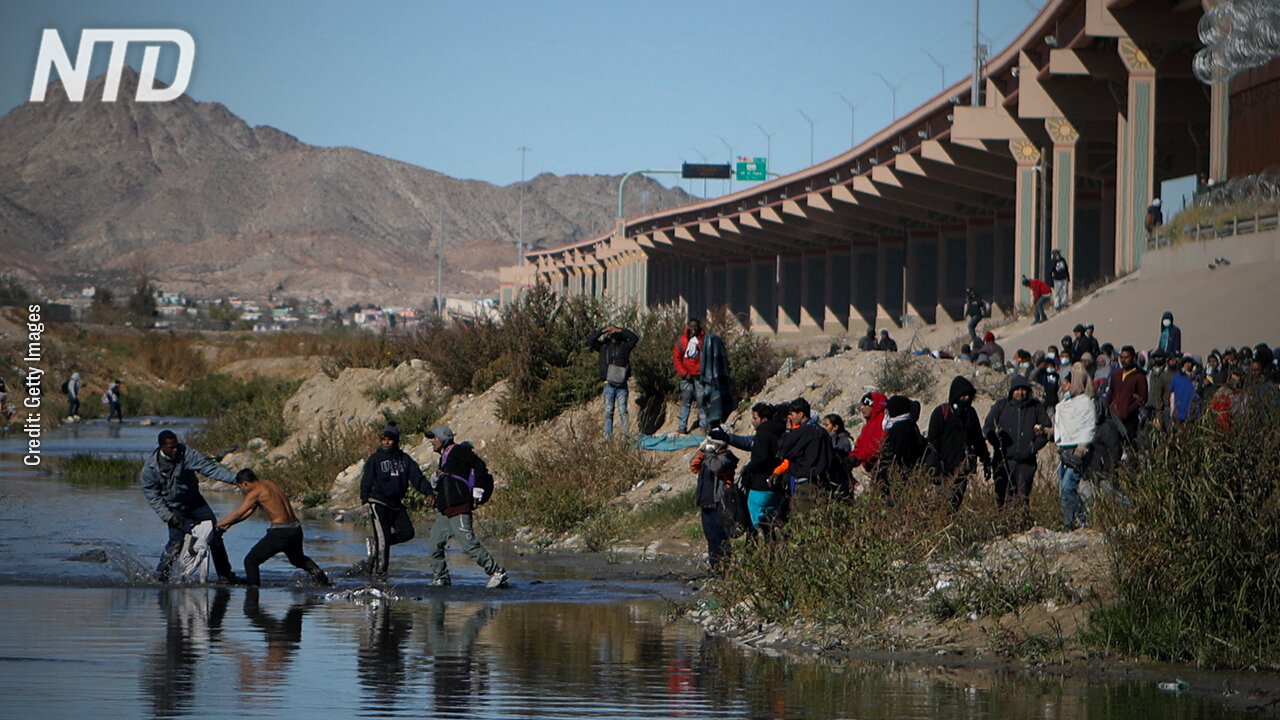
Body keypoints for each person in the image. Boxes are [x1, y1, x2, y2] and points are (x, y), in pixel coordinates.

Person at [141, 430, 240, 584]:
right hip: (174, 508)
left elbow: (210, 469)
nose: (175, 450)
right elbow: (152, 495)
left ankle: (225, 575)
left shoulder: (186, 453)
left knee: (214, 534)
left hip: (196, 503)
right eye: (171, 447)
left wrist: (236, 479)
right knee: (176, 543)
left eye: (176, 445)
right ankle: (161, 578)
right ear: (161, 447)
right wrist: (168, 516)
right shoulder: (150, 469)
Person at [423, 425, 509, 588]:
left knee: (469, 545)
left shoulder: (458, 451)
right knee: (435, 543)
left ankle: (497, 572)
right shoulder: (444, 457)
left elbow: (479, 465)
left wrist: (477, 491)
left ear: (442, 438)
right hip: (446, 511)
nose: (431, 442)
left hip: (459, 508)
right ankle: (441, 577)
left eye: (433, 438)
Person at [216, 469, 330, 586]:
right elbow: (249, 510)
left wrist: (217, 524)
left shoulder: (255, 492)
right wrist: (228, 524)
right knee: (297, 559)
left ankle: (252, 590)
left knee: (251, 561)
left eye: (242, 488)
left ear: (245, 483)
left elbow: (238, 513)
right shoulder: (268, 484)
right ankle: (319, 575)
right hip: (295, 529)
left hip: (281, 532)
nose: (243, 492)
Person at [359, 424, 428, 582]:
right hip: (377, 502)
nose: (386, 442)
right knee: (383, 540)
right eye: (383, 439)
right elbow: (366, 481)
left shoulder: (405, 460)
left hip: (396, 504)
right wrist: (365, 501)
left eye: (389, 439)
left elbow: (418, 478)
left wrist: (428, 492)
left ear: (396, 441)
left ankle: (376, 546)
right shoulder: (375, 459)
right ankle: (381, 576)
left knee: (407, 533)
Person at [712, 402, 787, 531]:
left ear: (764, 419)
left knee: (758, 525)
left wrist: (749, 468)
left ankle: (761, 548)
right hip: (778, 486)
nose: (752, 422)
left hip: (760, 486)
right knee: (773, 522)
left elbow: (759, 456)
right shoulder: (782, 433)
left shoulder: (763, 434)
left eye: (755, 418)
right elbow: (748, 443)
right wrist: (727, 437)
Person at [983, 375, 1052, 510]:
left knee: (1022, 500)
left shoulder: (1036, 407)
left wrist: (1033, 447)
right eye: (1017, 389)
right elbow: (987, 427)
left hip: (1026, 463)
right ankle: (1004, 528)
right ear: (1011, 391)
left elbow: (1047, 431)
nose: (1020, 392)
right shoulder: (1001, 405)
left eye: (1023, 389)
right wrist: (997, 443)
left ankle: (1021, 527)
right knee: (1002, 500)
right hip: (1003, 461)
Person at [926, 377, 991, 511]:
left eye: (969, 396)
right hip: (943, 469)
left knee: (956, 503)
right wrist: (936, 464)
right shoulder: (941, 413)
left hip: (962, 469)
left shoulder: (970, 414)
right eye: (963, 395)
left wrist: (985, 460)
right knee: (944, 503)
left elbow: (978, 439)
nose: (966, 398)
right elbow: (932, 441)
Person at [772, 397, 842, 514]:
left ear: (801, 414)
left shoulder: (802, 432)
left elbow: (784, 451)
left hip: (805, 485)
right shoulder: (823, 432)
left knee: (802, 520)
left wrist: (788, 432)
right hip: (823, 483)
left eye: (793, 415)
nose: (792, 418)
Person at [1054, 362, 1096, 529]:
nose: (1064, 385)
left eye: (1067, 382)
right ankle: (1075, 519)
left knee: (1068, 487)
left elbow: (1088, 427)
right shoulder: (1065, 404)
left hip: (1078, 451)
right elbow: (1061, 429)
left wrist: (1080, 450)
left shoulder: (1085, 402)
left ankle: (1074, 521)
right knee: (1063, 489)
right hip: (1064, 451)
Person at [691, 438, 738, 571]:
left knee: (721, 538)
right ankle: (715, 568)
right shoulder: (708, 458)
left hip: (719, 504)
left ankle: (725, 567)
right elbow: (693, 466)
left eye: (711, 443)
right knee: (711, 539)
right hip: (706, 504)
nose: (709, 445)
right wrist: (701, 451)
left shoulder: (727, 458)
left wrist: (710, 453)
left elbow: (716, 467)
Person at [588, 324, 639, 438]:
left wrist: (620, 330)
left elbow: (635, 338)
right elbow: (590, 340)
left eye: (614, 333)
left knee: (623, 411)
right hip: (608, 383)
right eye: (611, 333)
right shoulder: (604, 347)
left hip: (621, 383)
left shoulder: (624, 346)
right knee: (608, 412)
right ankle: (607, 436)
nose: (613, 335)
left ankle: (626, 435)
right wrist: (602, 330)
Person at [878, 395, 927, 505]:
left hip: (899, 484)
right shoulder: (906, 426)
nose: (885, 412)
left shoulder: (900, 430)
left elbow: (896, 458)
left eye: (888, 409)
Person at [848, 392, 888, 496]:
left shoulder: (883, 421)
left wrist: (859, 457)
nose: (862, 408)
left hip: (885, 470)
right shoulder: (868, 426)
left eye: (866, 405)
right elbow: (860, 445)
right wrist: (851, 458)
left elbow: (879, 445)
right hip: (874, 471)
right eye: (861, 405)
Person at [1108, 345, 1148, 441]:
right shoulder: (1116, 374)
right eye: (1121, 357)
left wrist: (1128, 409)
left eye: (1126, 358)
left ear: (1133, 358)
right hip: (1114, 418)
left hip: (1130, 420)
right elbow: (1111, 393)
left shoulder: (1139, 376)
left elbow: (1143, 398)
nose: (1123, 360)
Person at [673, 318, 706, 434]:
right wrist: (684, 373)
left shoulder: (704, 341)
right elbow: (677, 359)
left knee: (702, 402)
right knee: (685, 402)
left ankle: (703, 427)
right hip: (686, 377)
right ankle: (682, 427)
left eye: (695, 327)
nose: (693, 329)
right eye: (691, 327)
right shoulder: (682, 342)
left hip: (699, 376)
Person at [1169, 355, 1201, 425]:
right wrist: (1172, 411)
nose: (1187, 364)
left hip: (1192, 414)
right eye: (1185, 362)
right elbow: (1172, 394)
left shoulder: (1197, 377)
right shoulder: (1176, 376)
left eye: (1189, 362)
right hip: (1178, 413)